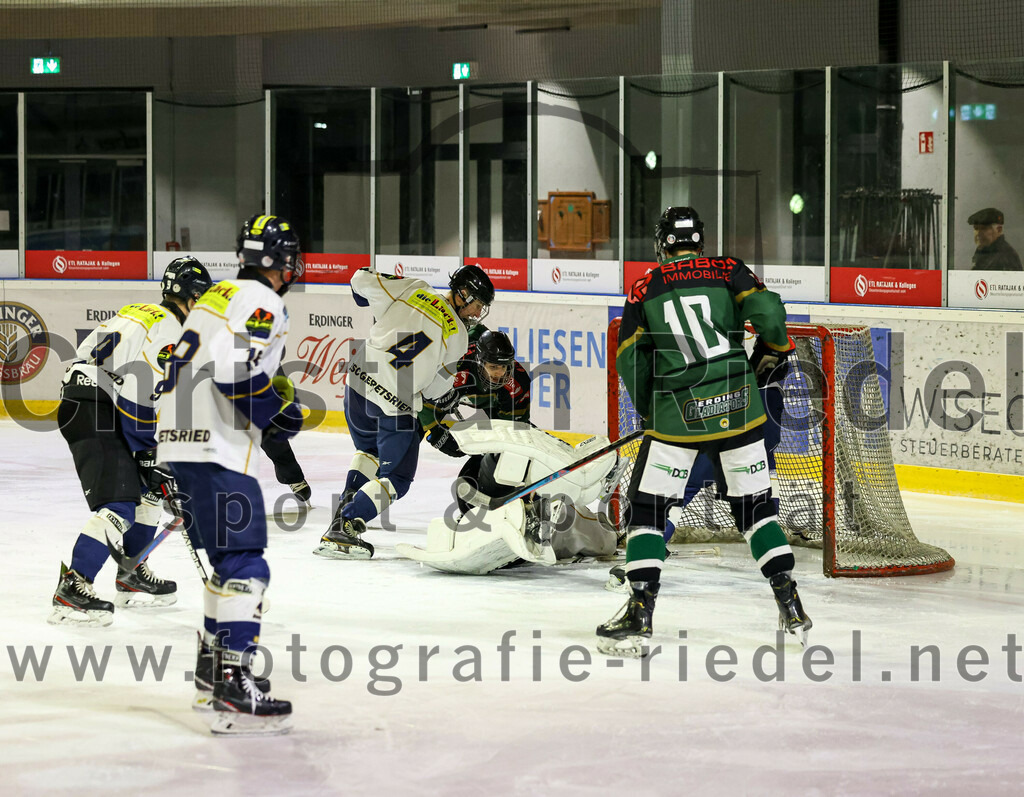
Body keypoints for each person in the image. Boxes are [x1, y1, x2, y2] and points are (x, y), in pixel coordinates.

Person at [597, 205, 809, 657]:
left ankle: (640, 609)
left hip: (679, 414)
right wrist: (775, 345)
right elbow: (769, 309)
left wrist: (650, 410)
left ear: (662, 243)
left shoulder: (644, 286)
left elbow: (629, 357)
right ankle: (789, 600)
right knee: (756, 510)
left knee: (649, 512)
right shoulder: (728, 270)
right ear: (700, 240)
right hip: (741, 408)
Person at [157, 214, 304, 735]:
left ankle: (209, 672)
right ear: (278, 260)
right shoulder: (263, 302)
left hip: (178, 439)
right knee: (247, 561)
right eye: (289, 256)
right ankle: (235, 679)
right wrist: (277, 414)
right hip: (217, 444)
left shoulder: (215, 295)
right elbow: (236, 373)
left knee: (224, 562)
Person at [50, 256, 213, 626]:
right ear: (192, 297)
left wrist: (154, 457)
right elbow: (138, 394)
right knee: (121, 503)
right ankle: (72, 589)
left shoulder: (141, 311)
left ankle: (132, 573)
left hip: (91, 403)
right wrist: (145, 450)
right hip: (95, 408)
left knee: (151, 490)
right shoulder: (172, 329)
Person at [314, 263, 494, 559]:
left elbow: (360, 278)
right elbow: (434, 390)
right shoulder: (459, 336)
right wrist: (446, 398)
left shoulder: (414, 288)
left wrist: (365, 299)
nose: (477, 312)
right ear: (462, 294)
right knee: (397, 478)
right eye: (477, 303)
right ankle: (346, 525)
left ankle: (341, 515)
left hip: (357, 383)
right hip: (395, 400)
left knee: (369, 451)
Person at [420, 329, 531, 514]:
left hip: (493, 400)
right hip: (452, 390)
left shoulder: (517, 382)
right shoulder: (455, 370)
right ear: (480, 363)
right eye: (493, 367)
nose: (499, 373)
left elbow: (514, 431)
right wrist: (436, 435)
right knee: (409, 430)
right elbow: (425, 406)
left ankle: (522, 491)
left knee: (515, 442)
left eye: (503, 367)